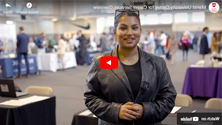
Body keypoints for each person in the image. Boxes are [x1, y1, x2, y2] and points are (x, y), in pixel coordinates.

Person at [84, 9, 176, 125]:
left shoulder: (157, 62)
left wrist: (144, 110)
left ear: (140, 31)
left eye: (134, 28)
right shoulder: (102, 61)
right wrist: (116, 110)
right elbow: (91, 97)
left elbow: (168, 97)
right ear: (115, 32)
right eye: (123, 28)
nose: (129, 33)